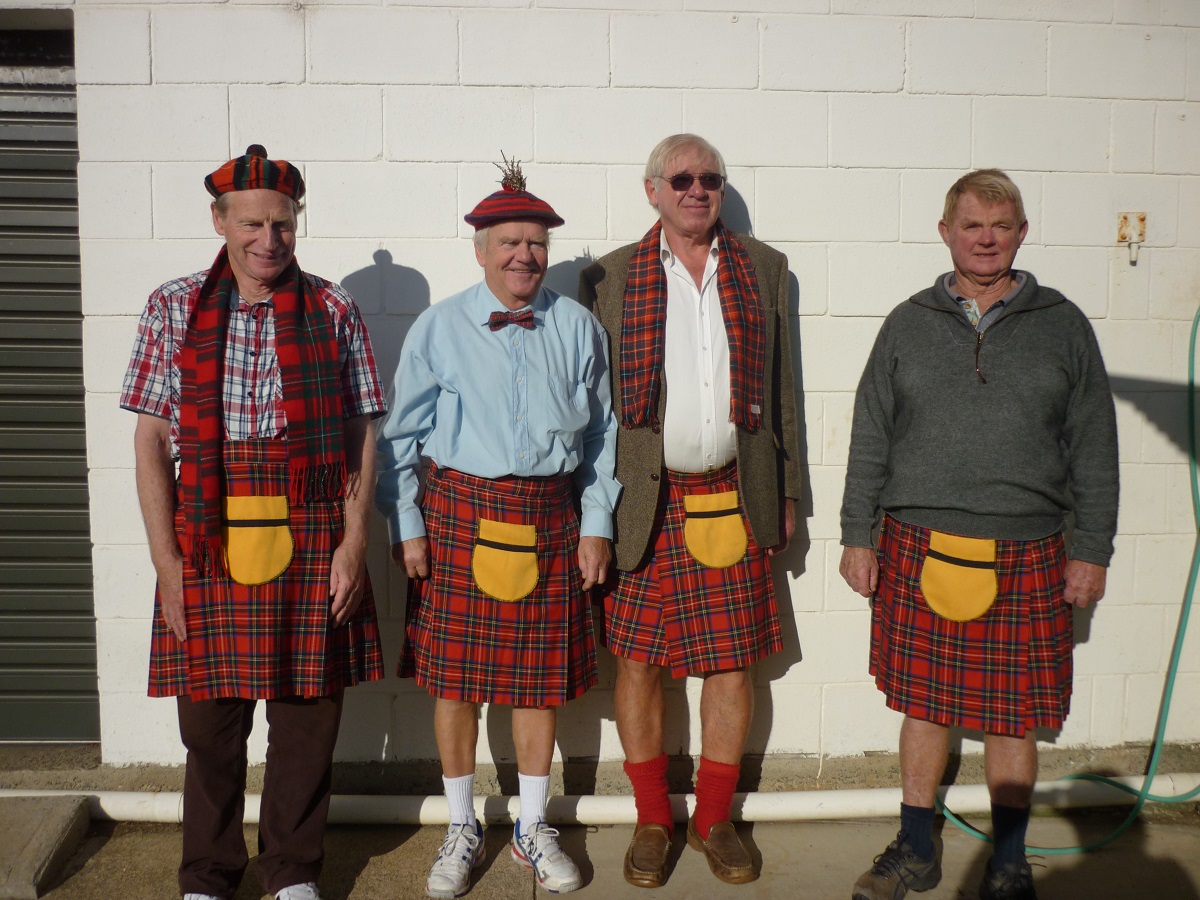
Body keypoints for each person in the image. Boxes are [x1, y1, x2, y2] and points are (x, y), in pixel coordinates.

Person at [839, 168, 1119, 900]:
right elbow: (871, 433)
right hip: (917, 541)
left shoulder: (1063, 324)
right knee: (923, 706)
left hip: (1030, 548)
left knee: (1011, 717)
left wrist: (1091, 549)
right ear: (946, 232)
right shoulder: (907, 322)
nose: (986, 239)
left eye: (1000, 225)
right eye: (972, 225)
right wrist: (857, 533)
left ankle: (1008, 861)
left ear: (1022, 233)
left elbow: (1094, 446)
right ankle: (915, 847)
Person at [120, 145, 386, 900]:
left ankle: (292, 871)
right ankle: (208, 874)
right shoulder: (173, 306)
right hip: (208, 526)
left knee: (308, 718)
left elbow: (362, 432)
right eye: (252, 223)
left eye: (283, 223)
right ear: (220, 221)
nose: (269, 239)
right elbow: (151, 441)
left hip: (312, 521)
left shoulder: (332, 308)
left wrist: (354, 542)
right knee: (208, 723)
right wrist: (167, 564)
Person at [375, 159, 619, 899]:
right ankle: (460, 826)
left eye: (536, 243)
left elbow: (603, 435)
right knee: (453, 685)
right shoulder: (439, 326)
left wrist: (597, 522)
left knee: (537, 686)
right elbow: (399, 436)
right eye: (509, 242)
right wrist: (407, 523)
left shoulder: (578, 327)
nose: (524, 255)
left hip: (550, 516)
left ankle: (531, 828)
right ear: (480, 250)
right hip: (456, 515)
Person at [578, 133, 801, 888]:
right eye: (681, 179)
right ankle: (651, 818)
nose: (697, 190)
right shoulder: (608, 277)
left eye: (710, 178)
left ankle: (713, 819)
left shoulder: (764, 269)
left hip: (735, 493)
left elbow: (784, 389)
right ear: (653, 191)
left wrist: (789, 490)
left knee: (731, 662)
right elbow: (593, 404)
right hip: (645, 498)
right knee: (637, 662)